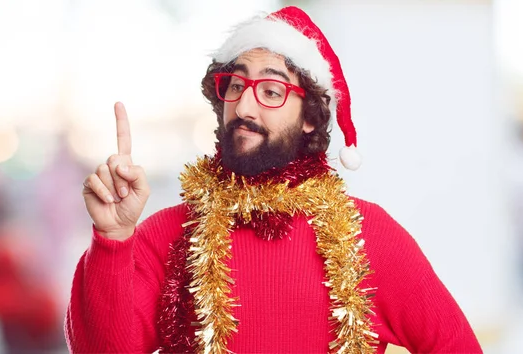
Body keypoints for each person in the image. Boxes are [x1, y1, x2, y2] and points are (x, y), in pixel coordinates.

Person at [65, 6, 482, 353]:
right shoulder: (170, 234)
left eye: (270, 91)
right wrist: (114, 238)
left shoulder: (369, 236)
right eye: (236, 84)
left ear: (309, 116)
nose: (245, 105)